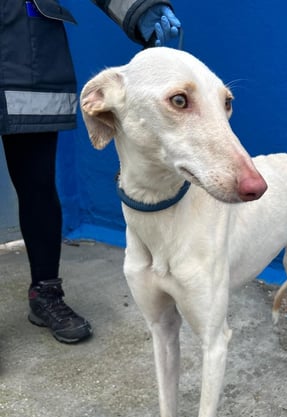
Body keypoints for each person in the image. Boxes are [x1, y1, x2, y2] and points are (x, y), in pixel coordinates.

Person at [0, 0, 180, 343]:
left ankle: (45, 294)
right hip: (28, 49)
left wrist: (138, 7)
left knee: (38, 186)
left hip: (29, 50)